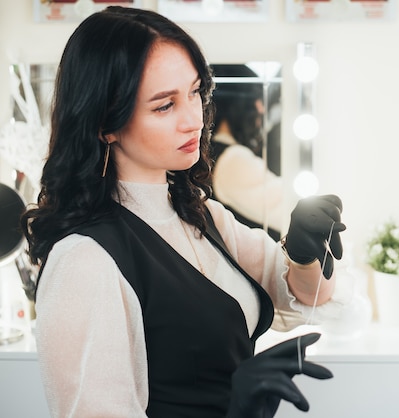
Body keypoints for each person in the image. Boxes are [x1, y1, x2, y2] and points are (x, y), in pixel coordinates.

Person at [20, 6, 346, 418]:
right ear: (106, 123)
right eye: (164, 106)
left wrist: (303, 255)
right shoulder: (85, 260)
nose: (194, 119)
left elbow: (304, 297)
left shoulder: (200, 213)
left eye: (195, 92)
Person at [209, 65, 283, 241]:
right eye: (257, 100)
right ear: (236, 103)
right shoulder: (233, 161)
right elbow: (289, 208)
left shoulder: (216, 154)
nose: (261, 109)